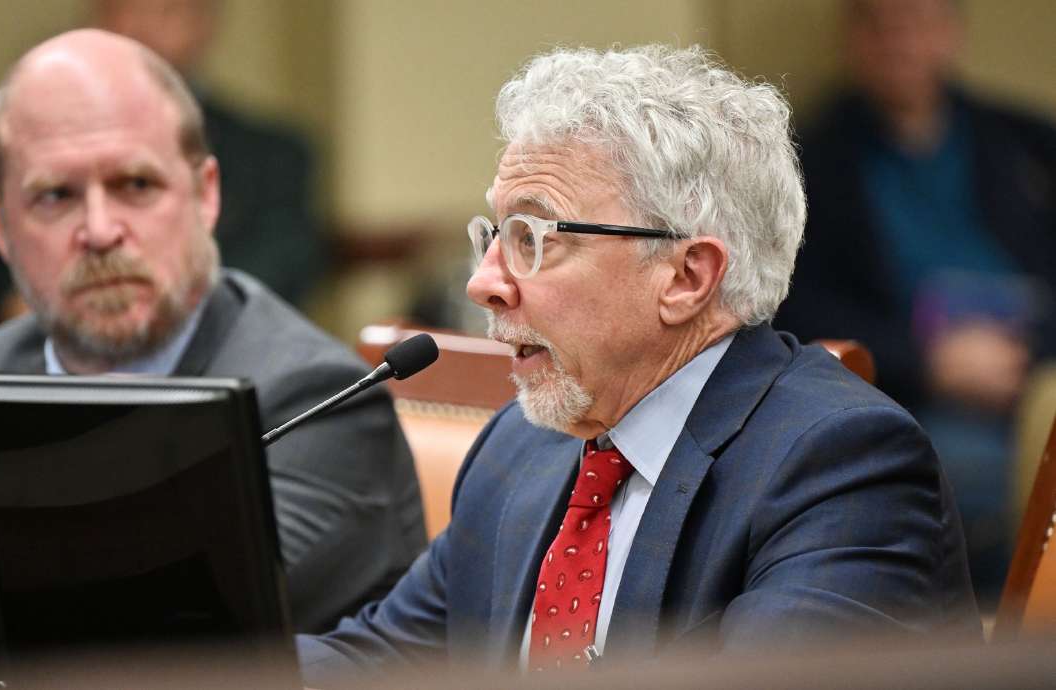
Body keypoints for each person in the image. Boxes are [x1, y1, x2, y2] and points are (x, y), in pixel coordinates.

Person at [296, 45, 981, 683]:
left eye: (533, 237)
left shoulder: (842, 467)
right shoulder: (521, 448)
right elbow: (377, 662)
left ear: (686, 276)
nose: (485, 281)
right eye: (494, 235)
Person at [0, 28, 425, 634]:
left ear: (206, 194)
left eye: (135, 186)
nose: (98, 230)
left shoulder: (313, 399)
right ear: (0, 226)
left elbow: (161, 631)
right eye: (56, 196)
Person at [773, 0, 1056, 606]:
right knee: (949, 479)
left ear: (952, 34)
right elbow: (793, 305)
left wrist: (1023, 360)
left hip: (1033, 375)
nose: (901, 41)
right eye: (883, 24)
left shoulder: (1024, 143)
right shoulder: (808, 162)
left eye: (920, 22)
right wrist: (930, 363)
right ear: (854, 39)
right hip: (905, 393)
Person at [0, 0, 323, 348]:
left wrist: (143, 305)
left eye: (166, 9)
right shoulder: (15, 139)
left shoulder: (270, 153)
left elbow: (284, 264)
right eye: (126, 6)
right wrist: (21, 306)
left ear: (205, 21)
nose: (140, 27)